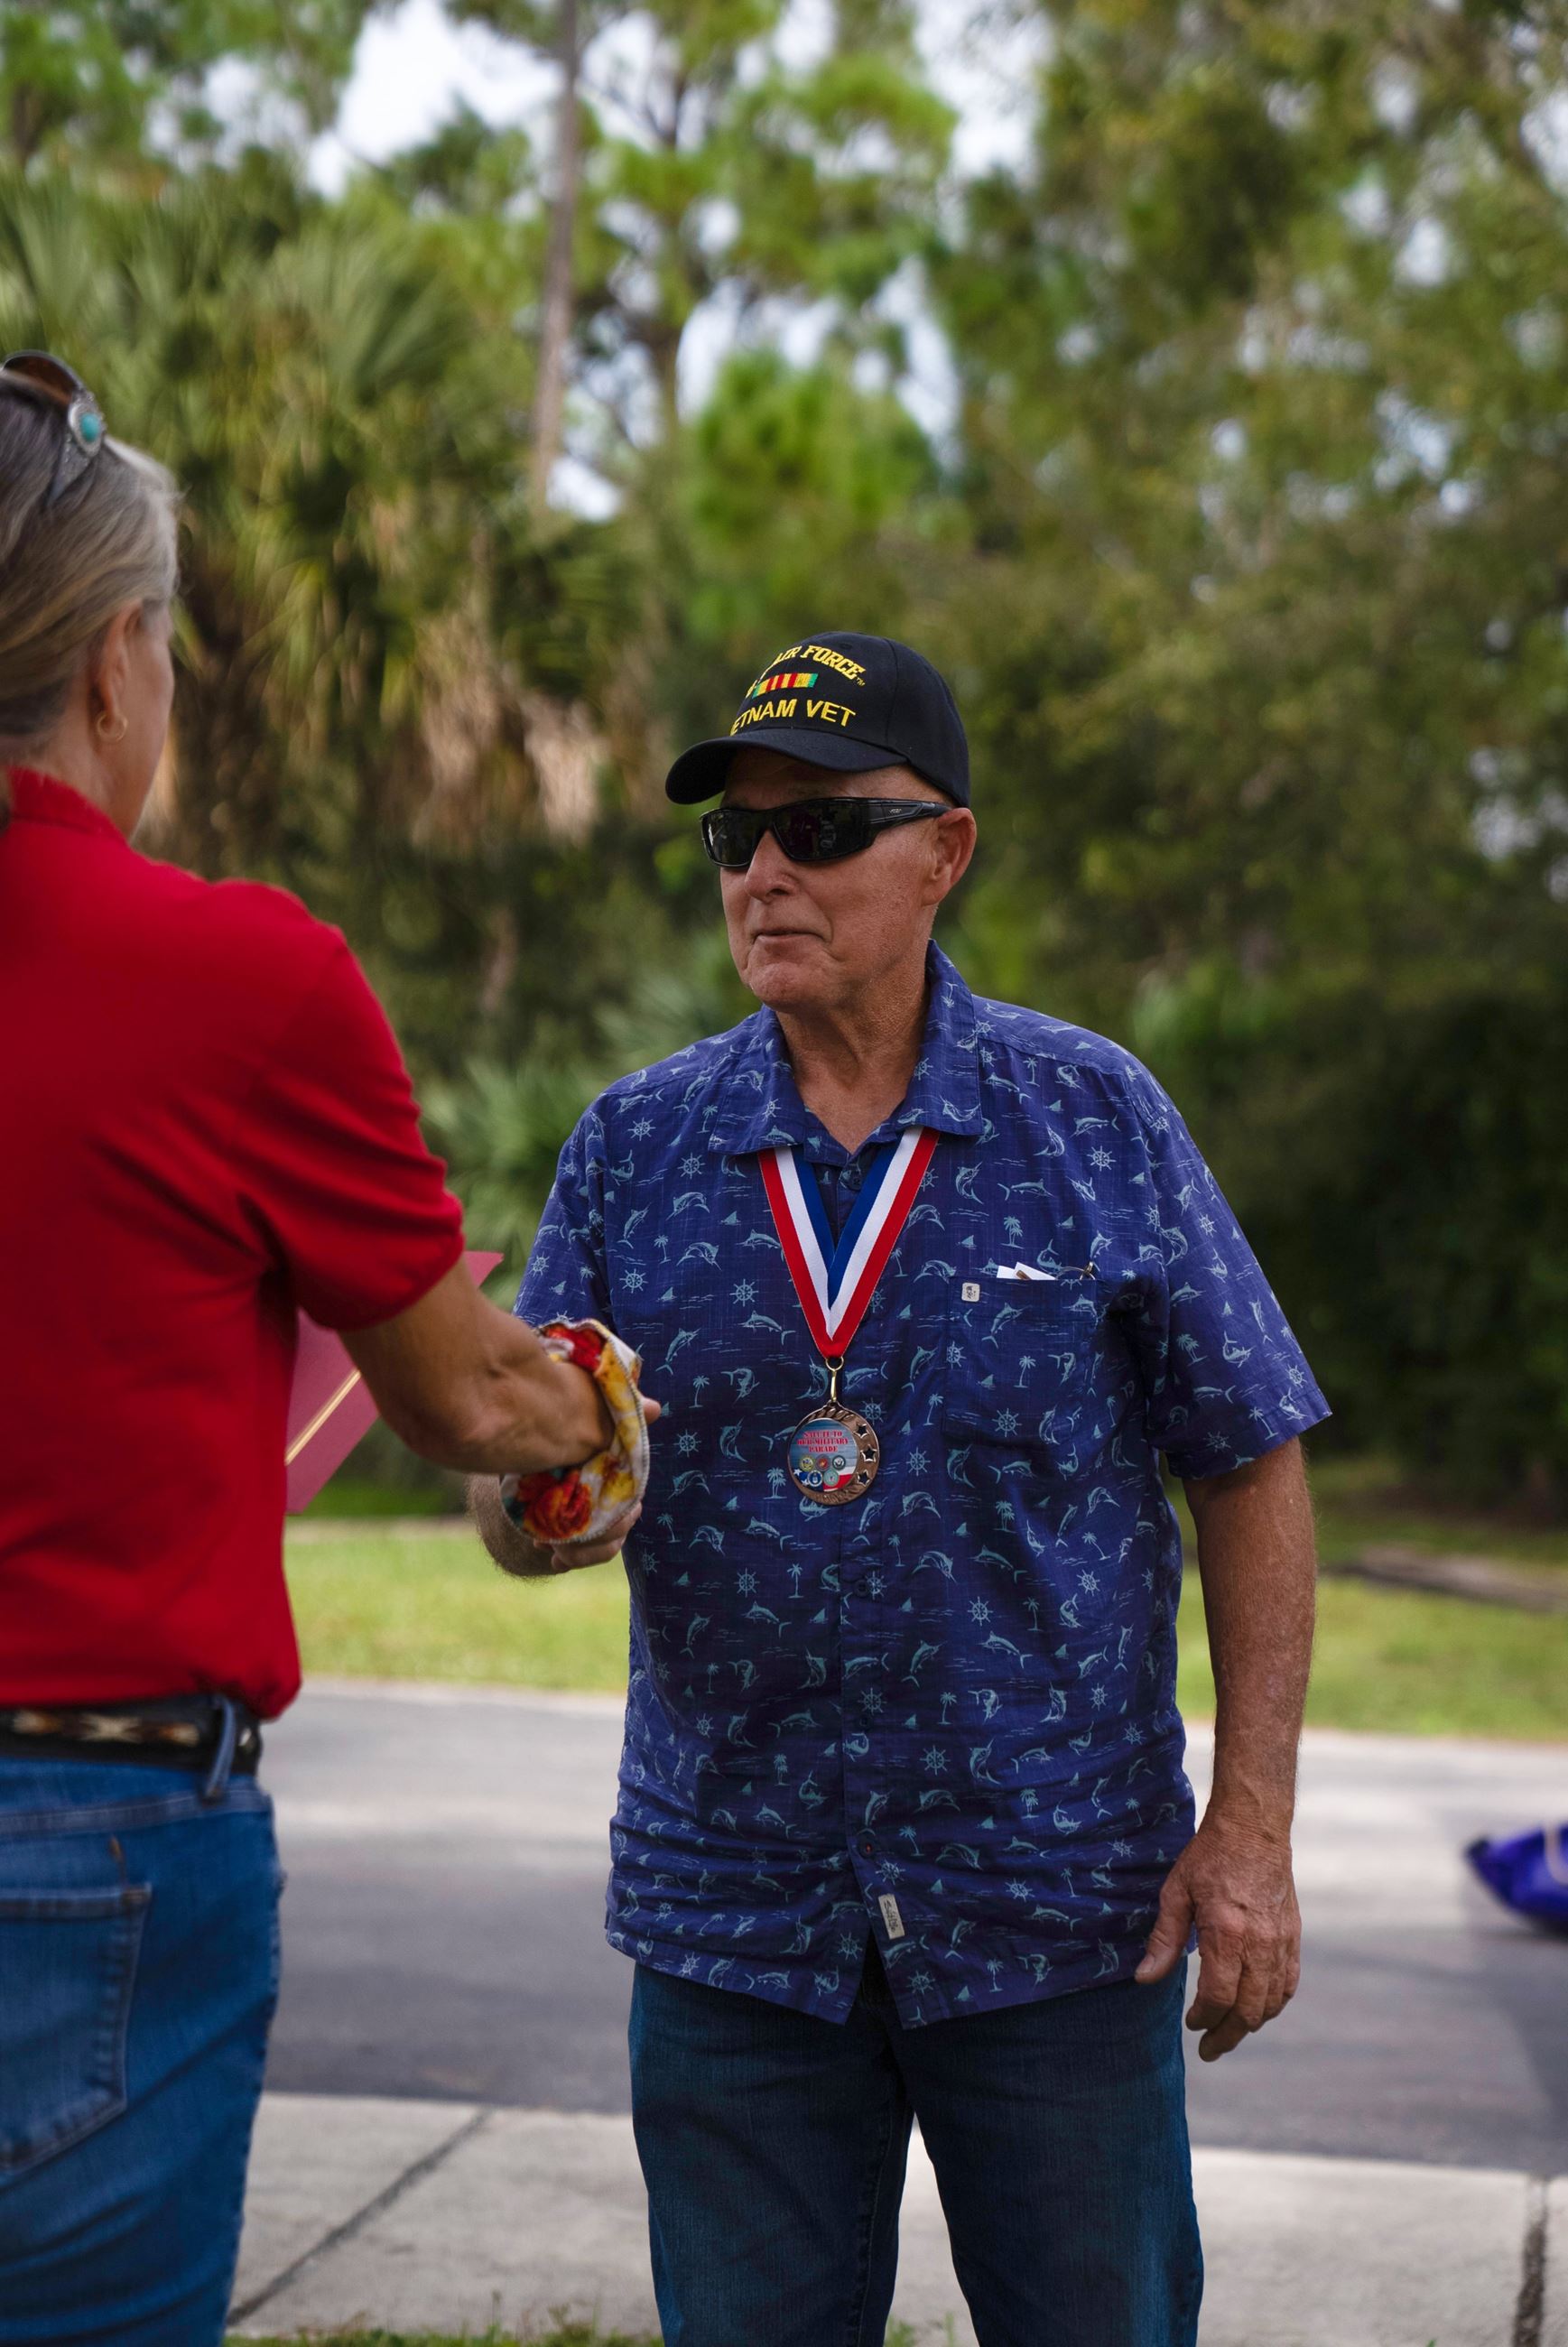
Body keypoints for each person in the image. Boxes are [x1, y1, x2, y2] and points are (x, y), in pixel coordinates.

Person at [473, 630, 1327, 2347]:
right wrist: (541, 1499)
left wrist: (1248, 1833)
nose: (768, 870)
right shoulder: (634, 1145)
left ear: (943, 851)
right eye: (736, 839)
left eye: (822, 830)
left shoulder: (1093, 1118)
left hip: (1056, 1915)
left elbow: (1247, 1458)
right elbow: (513, 1495)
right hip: (737, 1926)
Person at [0, 352, 648, 2346]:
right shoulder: (243, 983)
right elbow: (463, 1393)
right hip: (81, 1843)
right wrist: (603, 1411)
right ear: (119, 663)